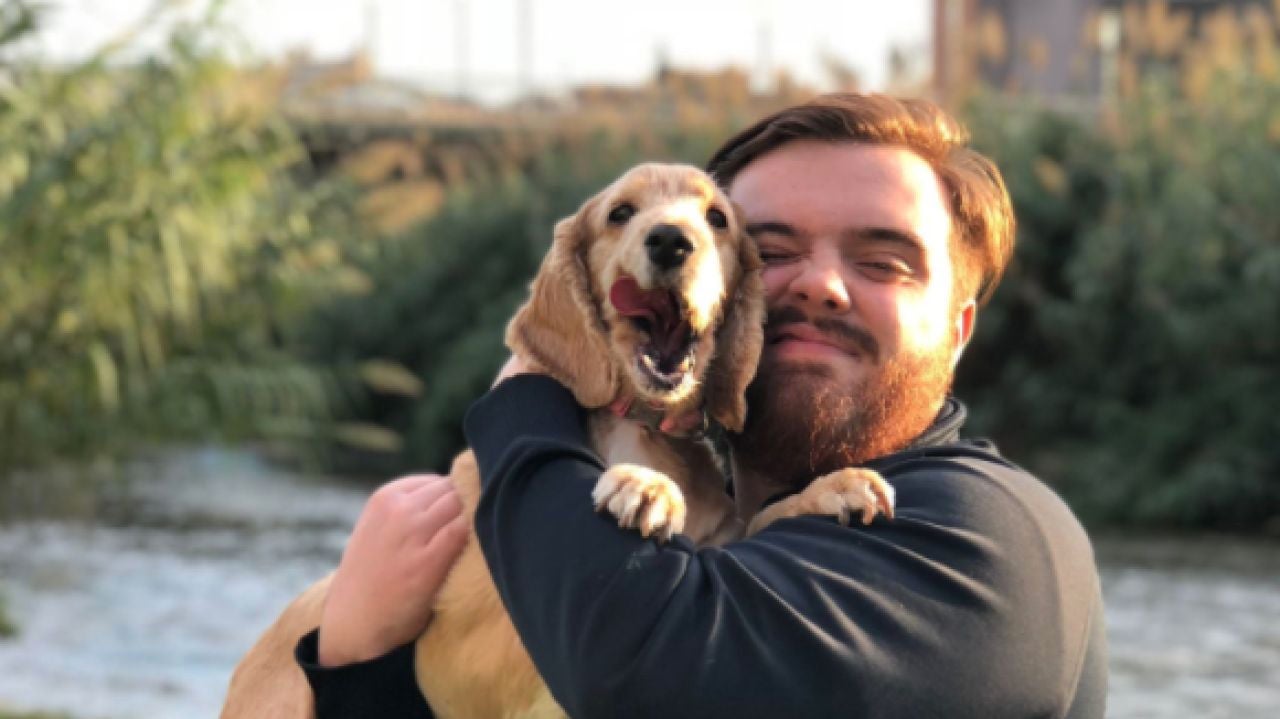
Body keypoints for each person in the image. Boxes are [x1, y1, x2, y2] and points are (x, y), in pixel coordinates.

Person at [294, 93, 1108, 717]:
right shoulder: (726, 525)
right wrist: (354, 665)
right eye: (773, 249)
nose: (820, 284)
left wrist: (525, 401)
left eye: (883, 260)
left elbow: (645, 672)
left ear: (960, 332)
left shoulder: (988, 538)